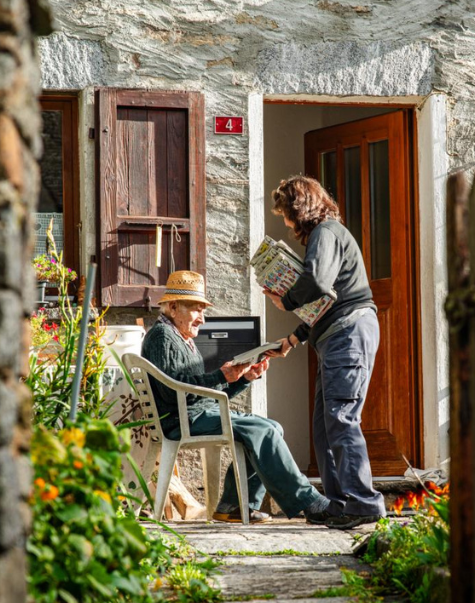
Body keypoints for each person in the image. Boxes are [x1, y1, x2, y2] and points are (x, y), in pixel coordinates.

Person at [141, 270, 331, 524]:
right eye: (197, 310)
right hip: (181, 420)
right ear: (173, 307)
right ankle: (308, 502)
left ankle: (233, 505)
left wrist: (243, 378)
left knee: (271, 427)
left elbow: (204, 394)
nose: (202, 319)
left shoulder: (181, 338)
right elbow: (173, 389)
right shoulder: (163, 336)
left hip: (196, 413)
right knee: (262, 430)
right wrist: (221, 375)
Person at [263, 175, 388, 530]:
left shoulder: (326, 233)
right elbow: (325, 300)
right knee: (324, 426)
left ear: (299, 209)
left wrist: (285, 300)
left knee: (341, 418)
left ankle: (363, 503)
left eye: (285, 213)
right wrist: (293, 339)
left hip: (348, 334)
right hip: (336, 334)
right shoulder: (326, 235)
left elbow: (316, 281)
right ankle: (341, 503)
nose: (285, 222)